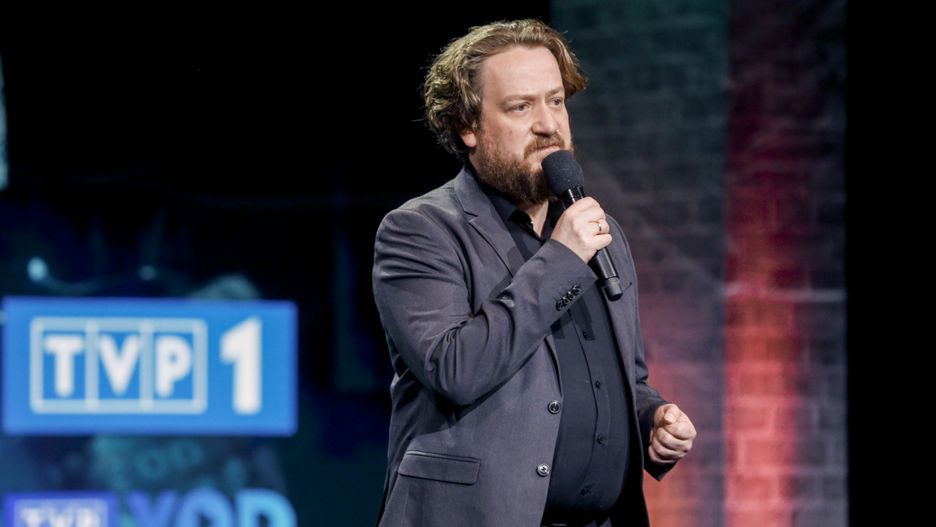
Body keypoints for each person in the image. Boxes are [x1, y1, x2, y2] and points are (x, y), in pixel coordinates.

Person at [372, 19, 696, 527]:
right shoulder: (421, 230)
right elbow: (455, 370)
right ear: (467, 126)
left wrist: (649, 420)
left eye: (556, 101)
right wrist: (562, 259)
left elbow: (621, 379)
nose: (549, 125)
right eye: (521, 107)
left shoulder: (599, 230)